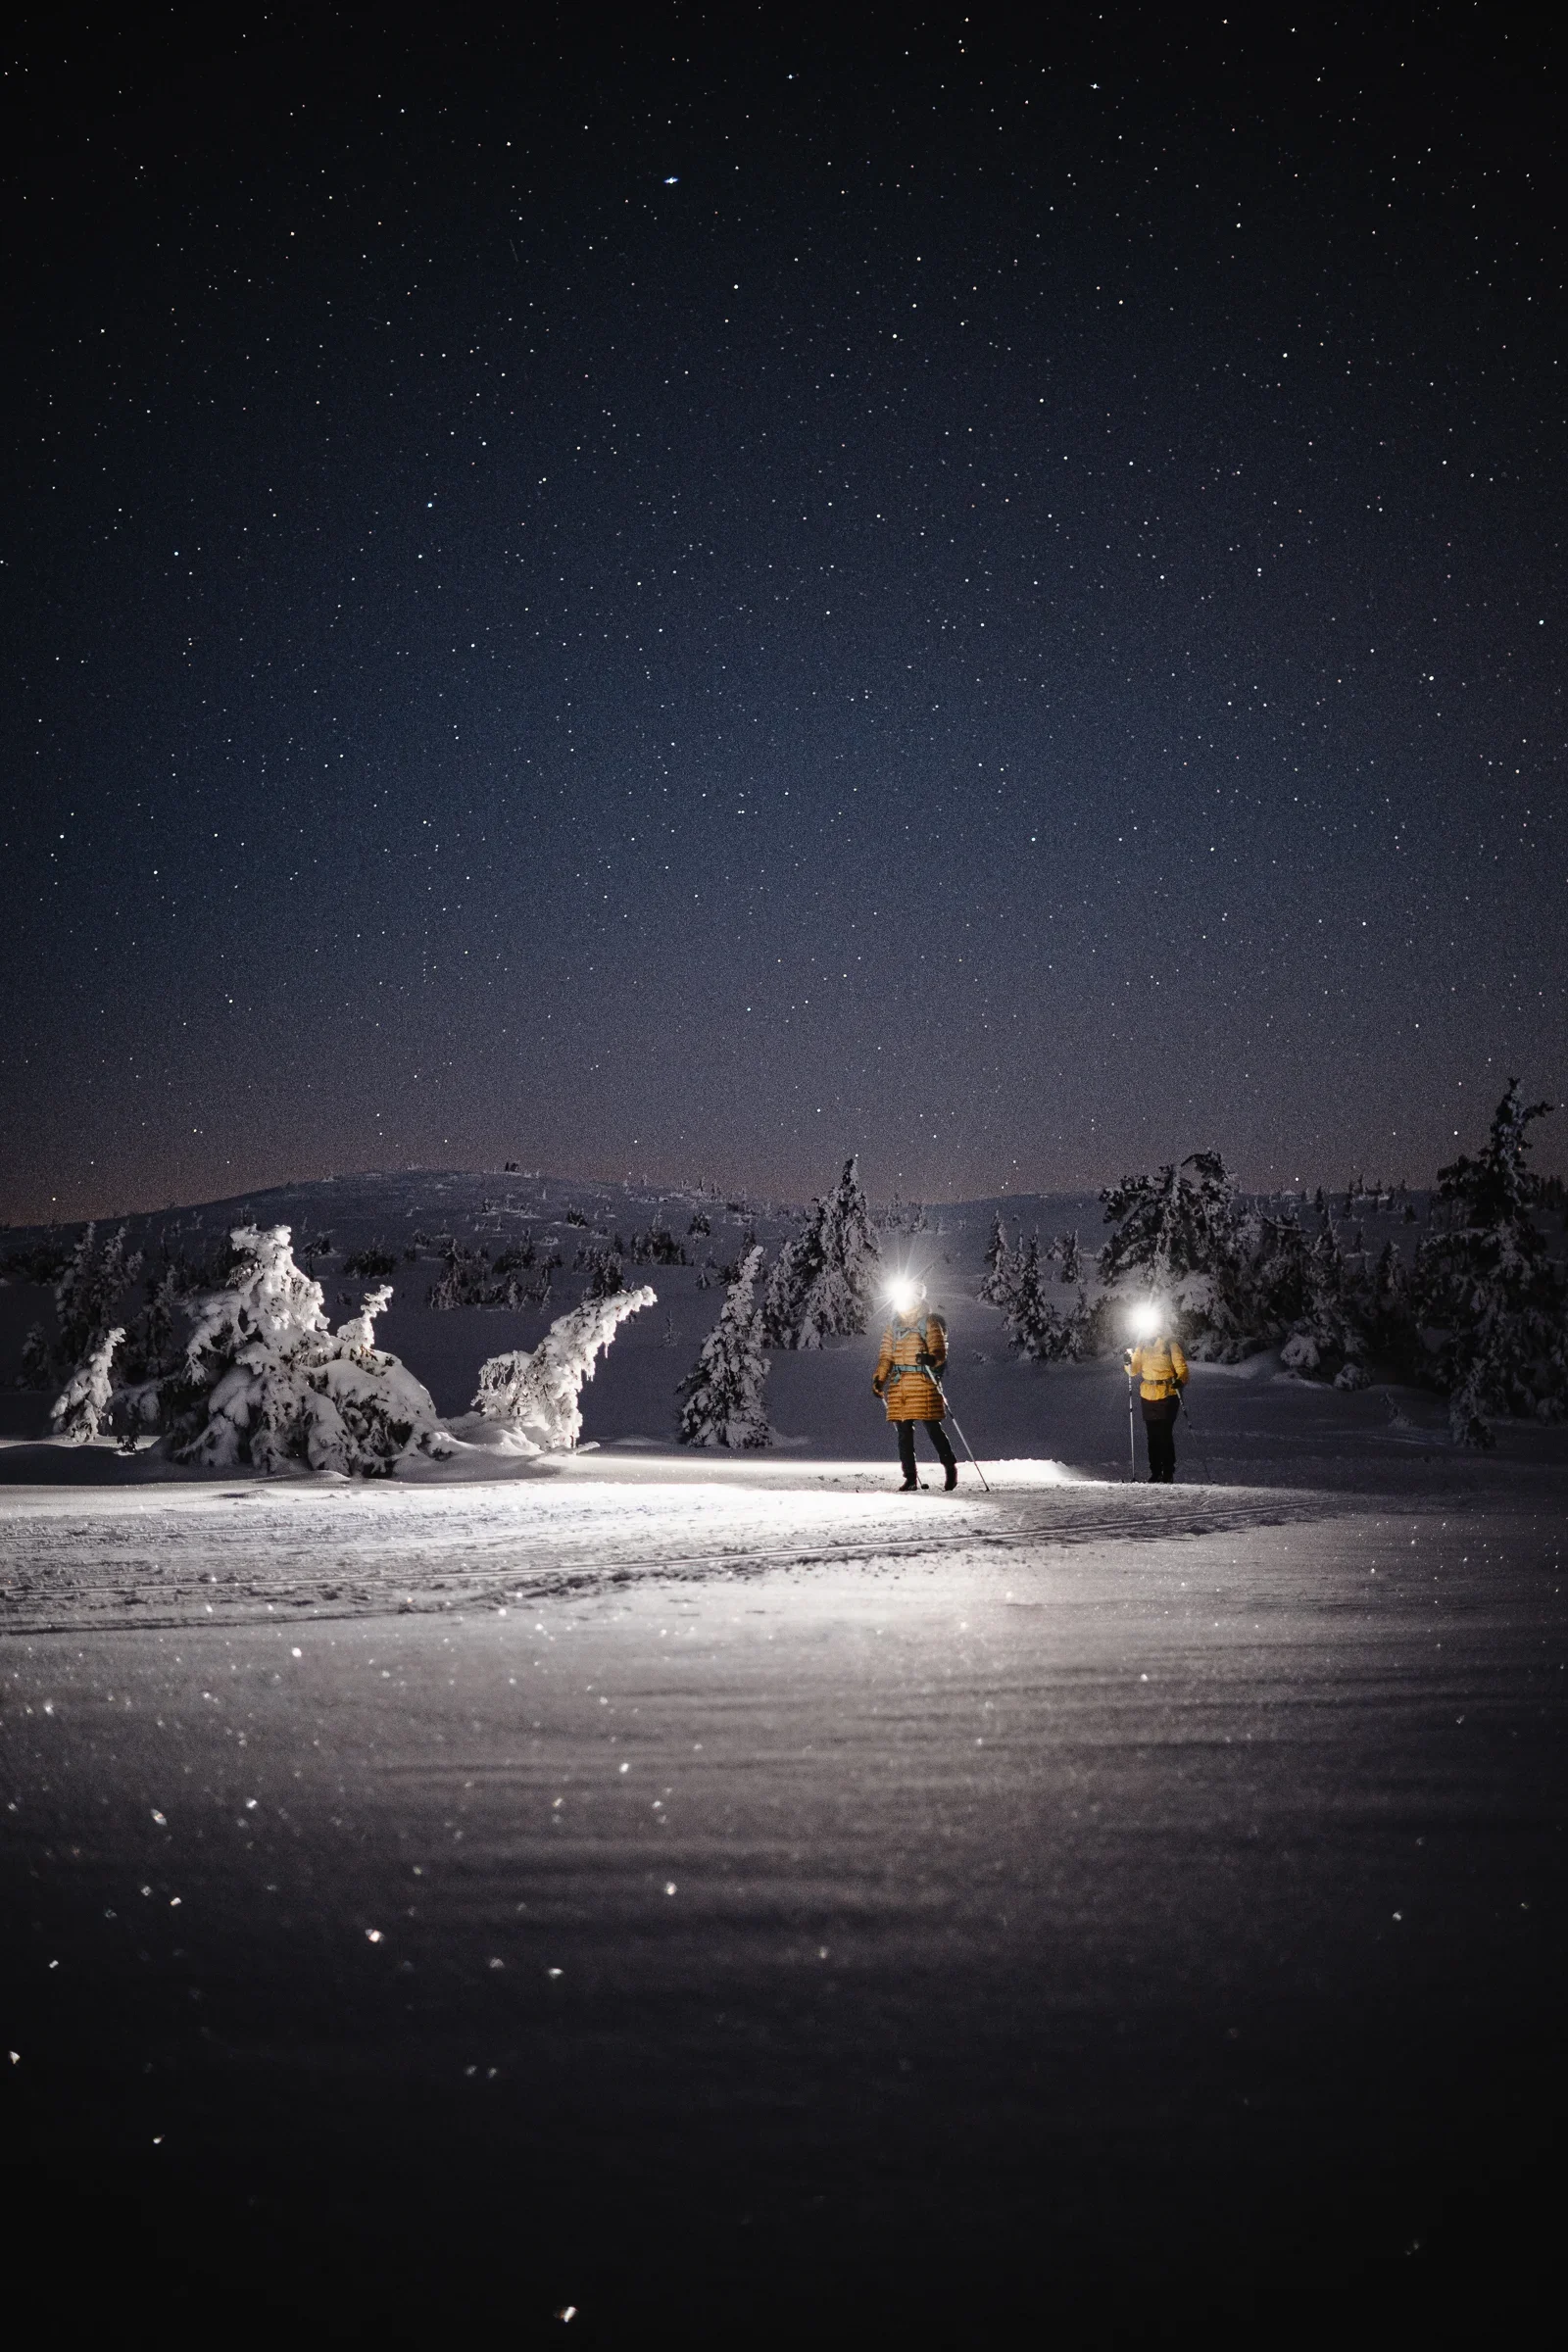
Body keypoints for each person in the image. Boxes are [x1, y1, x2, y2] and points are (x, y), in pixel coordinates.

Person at [872, 1283, 957, 1491]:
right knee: (904, 1434)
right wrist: (879, 1379)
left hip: (923, 1384)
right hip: (900, 1386)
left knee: (933, 1429)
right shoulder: (894, 1326)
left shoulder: (929, 1322)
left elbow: (939, 1351)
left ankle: (949, 1468)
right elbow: (886, 1357)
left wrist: (930, 1358)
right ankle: (910, 1477)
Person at [1126, 1322, 1189, 1483]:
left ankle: (1168, 1471)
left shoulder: (1170, 1345)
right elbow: (1133, 1371)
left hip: (1167, 1394)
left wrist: (1180, 1381)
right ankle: (1155, 1472)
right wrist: (1127, 1362)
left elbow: (1182, 1368)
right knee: (1152, 1436)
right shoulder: (1142, 1346)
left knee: (1164, 1434)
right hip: (1147, 1395)